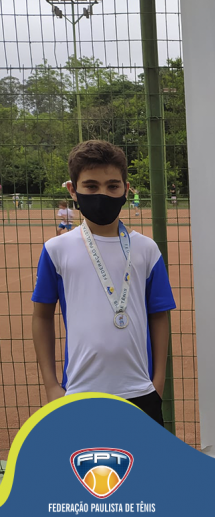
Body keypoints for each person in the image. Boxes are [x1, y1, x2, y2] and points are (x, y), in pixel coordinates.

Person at [32, 140, 176, 425]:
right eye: (91, 186)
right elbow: (42, 317)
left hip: (141, 392)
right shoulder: (56, 249)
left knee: (143, 457)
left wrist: (157, 384)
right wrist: (51, 386)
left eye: (112, 186)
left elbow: (159, 316)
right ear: (73, 190)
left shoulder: (147, 249)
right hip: (79, 393)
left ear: (126, 189)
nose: (103, 194)